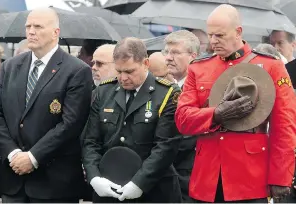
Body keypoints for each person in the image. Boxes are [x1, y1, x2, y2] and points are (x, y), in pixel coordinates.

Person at [175, 4, 296, 203]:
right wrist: (215, 114)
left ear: (238, 32)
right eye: (211, 35)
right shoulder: (199, 68)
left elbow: (283, 127)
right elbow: (182, 119)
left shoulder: (271, 66)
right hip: (207, 178)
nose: (213, 42)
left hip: (250, 177)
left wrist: (281, 177)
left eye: (220, 35)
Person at [0, 8, 93, 203]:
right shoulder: (11, 66)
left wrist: (33, 157)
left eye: (38, 26)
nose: (31, 31)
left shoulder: (76, 71)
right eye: (28, 26)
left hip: (53, 182)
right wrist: (12, 153)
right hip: (13, 179)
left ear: (56, 32)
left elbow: (71, 123)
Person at [82, 37, 182, 203]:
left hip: (152, 191)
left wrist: (138, 183)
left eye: (129, 71)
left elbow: (165, 146)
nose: (123, 78)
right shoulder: (104, 91)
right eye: (119, 71)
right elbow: (91, 140)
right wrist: (94, 177)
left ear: (145, 64)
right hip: (109, 188)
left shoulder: (166, 94)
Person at [162, 30, 201, 203]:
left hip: (188, 177)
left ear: (193, 56)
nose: (169, 57)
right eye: (167, 52)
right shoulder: (167, 89)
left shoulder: (200, 90)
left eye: (176, 52)